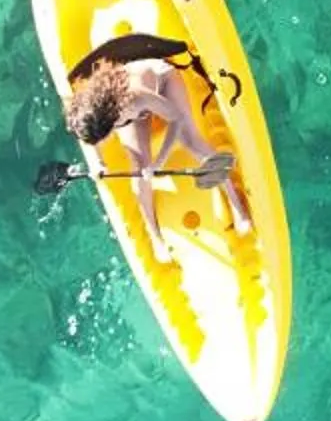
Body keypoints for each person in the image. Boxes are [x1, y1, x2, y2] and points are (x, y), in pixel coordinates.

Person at [63, 31, 251, 256]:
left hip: (162, 81)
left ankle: (237, 204)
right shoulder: (88, 108)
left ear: (111, 119)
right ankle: (155, 236)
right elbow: (88, 136)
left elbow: (176, 119)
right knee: (138, 167)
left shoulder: (134, 98)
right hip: (131, 111)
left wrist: (158, 164)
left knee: (191, 142)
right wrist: (98, 164)